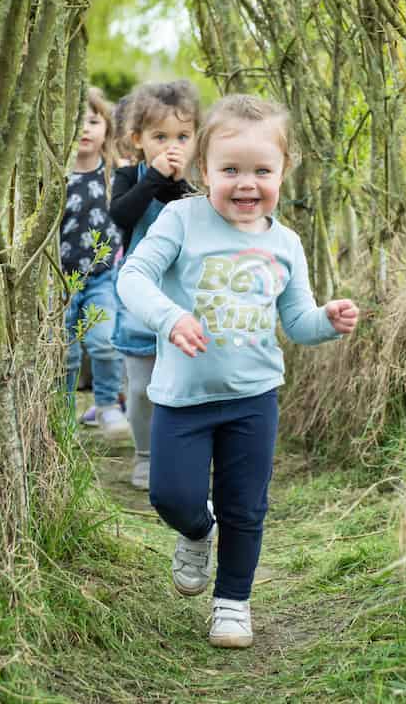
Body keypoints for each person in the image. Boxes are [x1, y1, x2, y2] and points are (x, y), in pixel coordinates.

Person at [117, 94, 359, 649]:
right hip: (183, 397)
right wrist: (172, 316)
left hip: (254, 398)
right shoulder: (182, 220)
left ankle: (233, 603)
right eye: (230, 170)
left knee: (246, 505)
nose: (245, 184)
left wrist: (327, 319)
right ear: (204, 171)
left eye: (261, 171)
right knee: (171, 496)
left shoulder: (286, 243)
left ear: (283, 171)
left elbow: (295, 321)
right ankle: (199, 533)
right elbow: (133, 278)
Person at [110, 80, 201, 489]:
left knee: (186, 384)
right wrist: (154, 181)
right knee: (143, 387)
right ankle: (145, 455)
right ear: (137, 140)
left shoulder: (198, 186)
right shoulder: (130, 177)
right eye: (159, 137)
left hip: (185, 297)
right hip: (139, 296)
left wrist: (180, 184)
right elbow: (122, 216)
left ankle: (183, 457)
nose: (172, 146)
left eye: (182, 136)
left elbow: (200, 226)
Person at [62, 88, 129, 442]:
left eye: (92, 120)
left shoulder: (116, 175)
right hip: (60, 279)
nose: (84, 129)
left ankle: (107, 405)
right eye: (76, 122)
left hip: (103, 276)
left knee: (104, 342)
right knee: (66, 352)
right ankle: (62, 414)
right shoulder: (57, 174)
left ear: (106, 127)